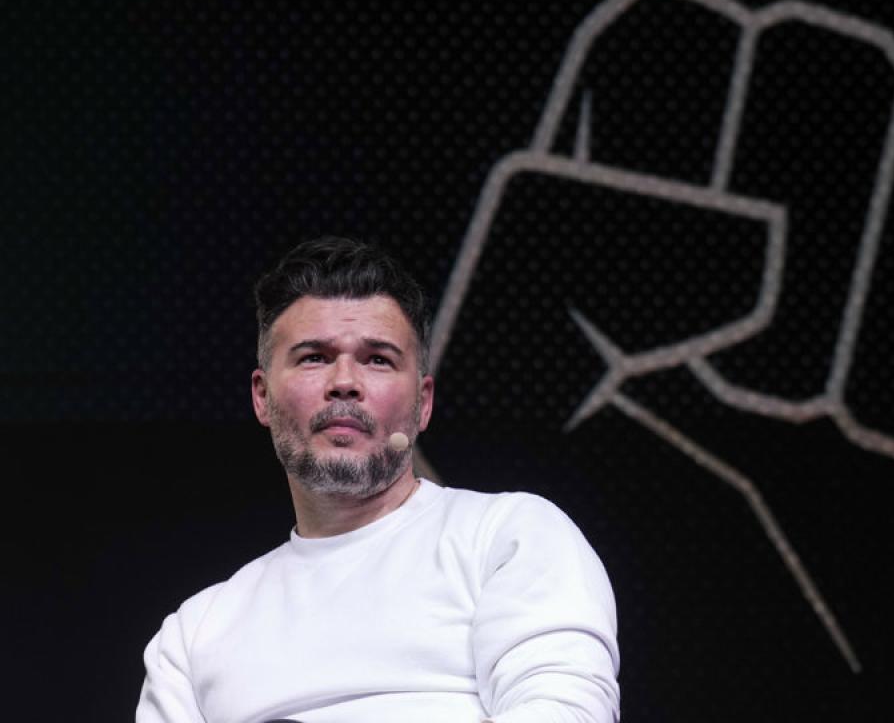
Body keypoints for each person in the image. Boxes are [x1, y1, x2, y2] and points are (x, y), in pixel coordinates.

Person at [136, 236, 620, 723]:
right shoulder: (194, 634)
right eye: (313, 357)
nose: (344, 382)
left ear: (423, 402)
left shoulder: (507, 536)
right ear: (262, 397)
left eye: (378, 359)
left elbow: (564, 712)